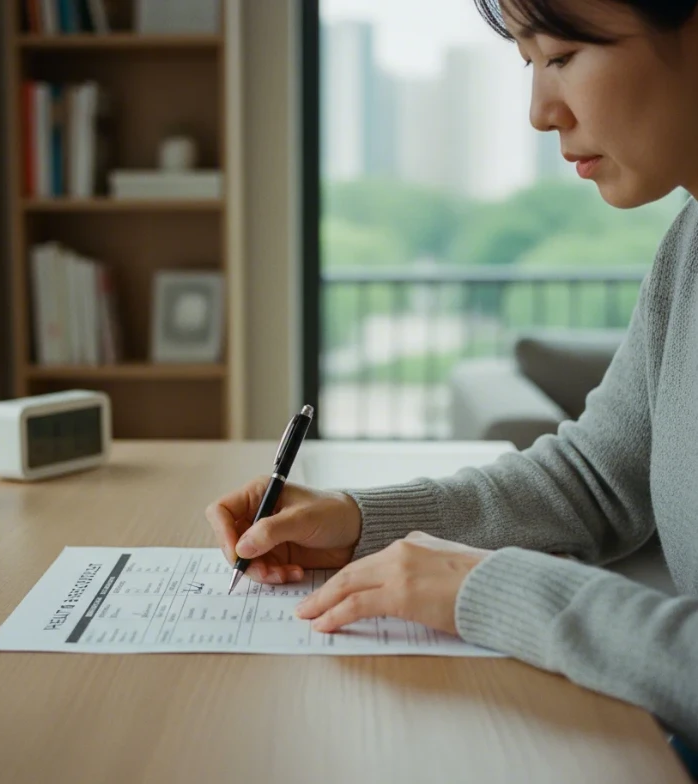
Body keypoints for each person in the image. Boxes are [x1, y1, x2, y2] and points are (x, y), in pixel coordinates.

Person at [205, 0, 698, 774]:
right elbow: (596, 480)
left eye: (562, 55)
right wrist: (362, 521)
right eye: (527, 64)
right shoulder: (689, 247)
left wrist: (493, 591)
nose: (539, 112)